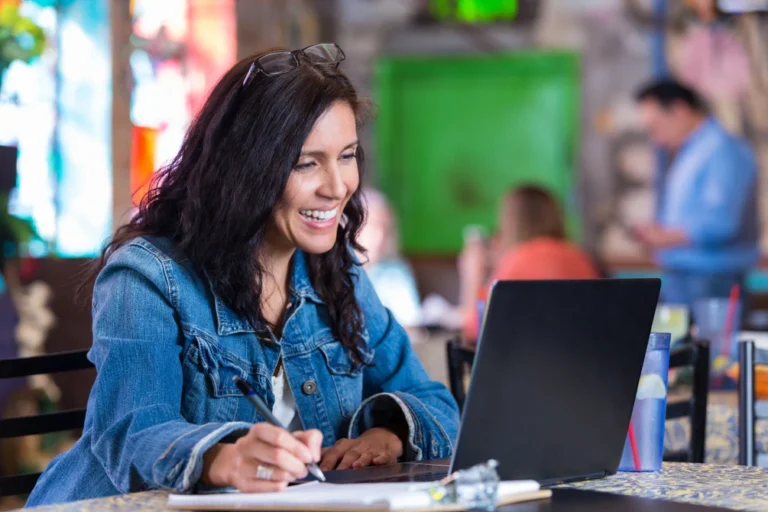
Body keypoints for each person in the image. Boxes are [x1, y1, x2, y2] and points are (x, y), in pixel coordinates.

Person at [26, 43, 458, 506]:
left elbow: (437, 405)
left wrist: (388, 437)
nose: (337, 186)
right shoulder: (147, 277)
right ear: (245, 170)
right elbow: (134, 429)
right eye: (306, 163)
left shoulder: (336, 274)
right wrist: (226, 459)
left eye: (347, 155)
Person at [633, 79, 759, 308]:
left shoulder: (722, 150)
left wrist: (665, 237)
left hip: (712, 278)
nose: (656, 140)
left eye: (655, 127)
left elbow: (720, 222)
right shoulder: (693, 151)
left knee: (709, 342)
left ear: (679, 110)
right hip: (689, 274)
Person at [459, 185, 599, 341]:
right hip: (581, 357)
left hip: (531, 360)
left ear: (510, 221)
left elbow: (475, 329)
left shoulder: (517, 259)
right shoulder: (581, 257)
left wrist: (472, 274)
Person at [357, 188, 422, 328]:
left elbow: (410, 327)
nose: (380, 236)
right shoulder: (331, 269)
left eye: (385, 228)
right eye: (372, 226)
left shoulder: (396, 273)